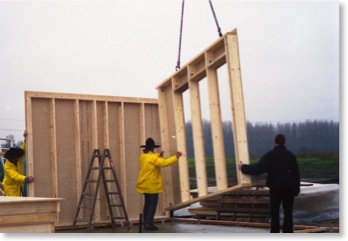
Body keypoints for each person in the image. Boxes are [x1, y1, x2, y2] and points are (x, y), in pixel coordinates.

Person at [238, 134, 300, 233]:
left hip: (275, 189)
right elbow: (296, 174)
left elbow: (258, 168)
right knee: (288, 214)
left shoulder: (271, 155)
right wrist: (296, 190)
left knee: (275, 213)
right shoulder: (291, 156)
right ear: (284, 142)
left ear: (275, 142)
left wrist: (243, 167)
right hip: (289, 189)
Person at [136, 137, 182, 231]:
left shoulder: (143, 156)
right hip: (152, 185)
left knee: (147, 204)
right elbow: (164, 163)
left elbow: (152, 158)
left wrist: (158, 155)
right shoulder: (152, 157)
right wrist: (175, 157)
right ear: (152, 148)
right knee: (152, 205)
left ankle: (146, 222)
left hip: (144, 184)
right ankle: (148, 224)